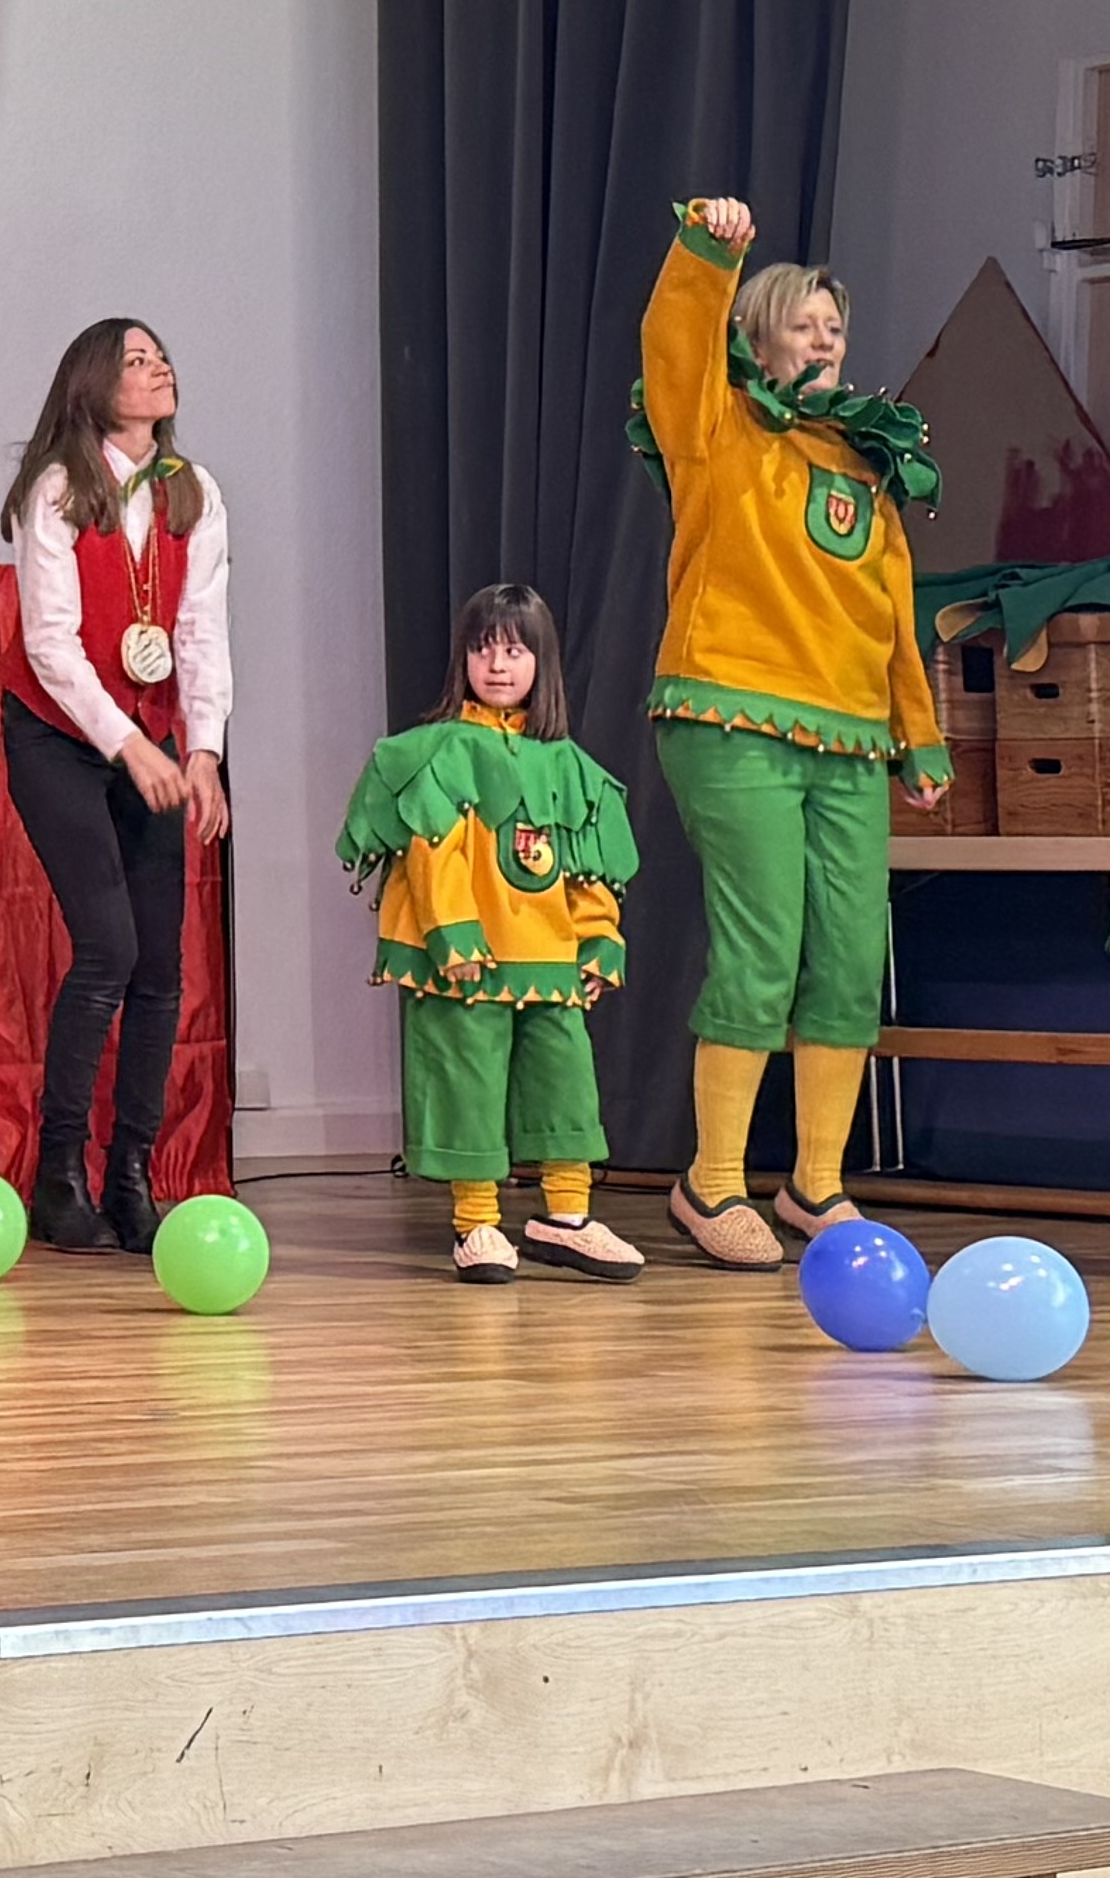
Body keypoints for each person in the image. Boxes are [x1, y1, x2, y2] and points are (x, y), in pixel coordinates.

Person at [633, 200, 949, 1272]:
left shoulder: (864, 463)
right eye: (802, 325)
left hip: (851, 736)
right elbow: (677, 341)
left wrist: (919, 734)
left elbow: (892, 611)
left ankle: (817, 1183)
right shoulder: (716, 427)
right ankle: (711, 1182)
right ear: (757, 337)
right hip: (732, 712)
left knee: (852, 958)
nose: (824, 342)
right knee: (763, 946)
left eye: (835, 328)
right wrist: (709, 252)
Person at [0, 316, 232, 1255]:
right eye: (137, 360)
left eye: (161, 355)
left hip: (154, 739)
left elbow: (201, 630)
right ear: (94, 385)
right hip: (59, 737)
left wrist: (203, 749)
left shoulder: (192, 490)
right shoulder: (58, 488)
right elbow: (51, 647)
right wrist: (132, 746)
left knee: (162, 968)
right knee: (108, 948)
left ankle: (132, 1170)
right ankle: (59, 1175)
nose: (159, 367)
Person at [340, 583, 645, 1284]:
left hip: (547, 956)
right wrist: (453, 933)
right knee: (466, 1082)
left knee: (566, 1083)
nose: (498, 665)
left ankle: (567, 1217)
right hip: (470, 960)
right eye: (483, 650)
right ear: (463, 661)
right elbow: (433, 852)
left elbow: (584, 866)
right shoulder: (441, 752)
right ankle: (476, 1221)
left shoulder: (568, 765)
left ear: (543, 662)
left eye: (514, 651)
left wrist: (599, 939)